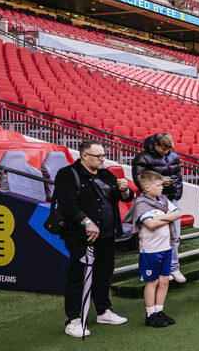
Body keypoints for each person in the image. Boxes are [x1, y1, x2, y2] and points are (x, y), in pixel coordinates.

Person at [55, 140, 134, 338]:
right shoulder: (67, 174)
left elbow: (125, 197)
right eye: (98, 156)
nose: (102, 159)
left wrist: (124, 190)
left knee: (104, 274)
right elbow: (67, 204)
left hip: (107, 234)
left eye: (103, 155)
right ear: (84, 156)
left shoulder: (106, 174)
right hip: (80, 236)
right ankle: (73, 320)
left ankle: (103, 311)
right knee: (78, 277)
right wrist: (86, 221)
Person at [124, 171, 181, 328]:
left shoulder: (162, 199)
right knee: (153, 281)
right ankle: (150, 315)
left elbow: (177, 214)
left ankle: (159, 310)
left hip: (166, 247)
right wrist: (167, 216)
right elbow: (150, 224)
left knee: (164, 280)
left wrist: (161, 217)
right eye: (158, 185)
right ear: (147, 187)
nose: (161, 188)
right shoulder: (141, 203)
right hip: (150, 250)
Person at [132, 132, 185, 283]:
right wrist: (161, 181)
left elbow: (179, 176)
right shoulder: (142, 157)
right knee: (154, 236)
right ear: (156, 144)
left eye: (168, 149)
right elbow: (140, 180)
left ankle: (174, 267)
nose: (166, 152)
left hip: (170, 199)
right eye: (163, 149)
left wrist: (176, 192)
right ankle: (160, 269)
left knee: (175, 236)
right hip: (151, 201)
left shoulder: (173, 156)